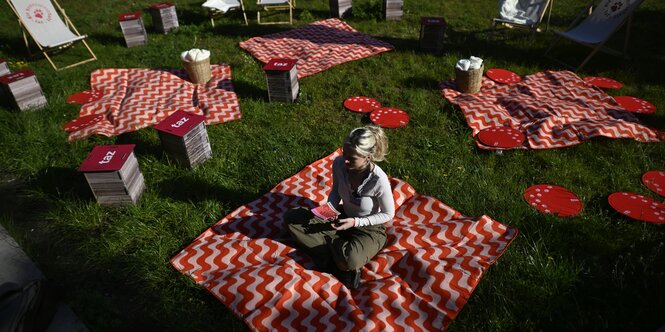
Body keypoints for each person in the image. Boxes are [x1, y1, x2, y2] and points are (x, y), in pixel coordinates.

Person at [284, 125, 395, 289]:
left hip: (369, 227)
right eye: (344, 154)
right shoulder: (339, 164)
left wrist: (356, 222)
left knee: (351, 258)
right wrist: (329, 209)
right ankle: (338, 260)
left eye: (352, 157)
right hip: (342, 216)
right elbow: (336, 191)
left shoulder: (378, 180)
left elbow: (388, 214)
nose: (346, 160)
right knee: (292, 218)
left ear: (367, 157)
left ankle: (336, 257)